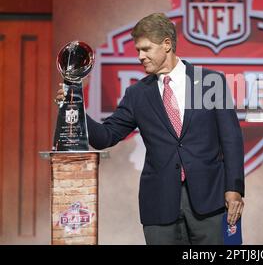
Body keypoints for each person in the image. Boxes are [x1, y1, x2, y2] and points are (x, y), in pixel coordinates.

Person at [55, 13, 245, 245]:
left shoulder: (210, 82)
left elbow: (232, 140)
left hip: (210, 201)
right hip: (159, 206)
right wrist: (73, 106)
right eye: (137, 50)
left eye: (145, 49)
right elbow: (106, 136)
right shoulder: (137, 94)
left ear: (167, 45)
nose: (139, 56)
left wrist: (234, 189)